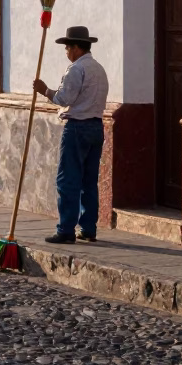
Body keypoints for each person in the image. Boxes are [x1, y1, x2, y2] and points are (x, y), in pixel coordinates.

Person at [33, 25, 109, 244]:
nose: (66, 52)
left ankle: (66, 229)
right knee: (88, 180)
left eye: (67, 48)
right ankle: (88, 228)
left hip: (77, 127)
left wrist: (44, 90)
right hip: (96, 126)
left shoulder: (76, 69)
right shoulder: (99, 69)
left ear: (76, 48)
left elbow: (64, 98)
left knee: (68, 180)